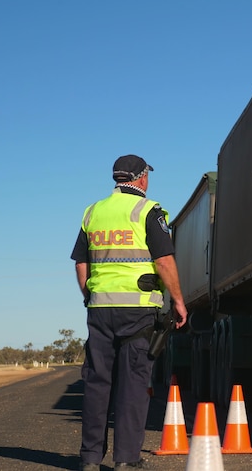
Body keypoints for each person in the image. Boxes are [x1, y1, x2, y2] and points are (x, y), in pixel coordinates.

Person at [71, 154, 188, 470]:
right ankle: (125, 460)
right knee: (133, 386)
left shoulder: (93, 212)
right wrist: (177, 301)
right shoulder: (148, 210)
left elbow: (81, 263)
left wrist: (89, 295)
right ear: (141, 178)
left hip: (99, 310)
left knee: (97, 384)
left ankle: (91, 459)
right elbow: (164, 261)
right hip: (137, 311)